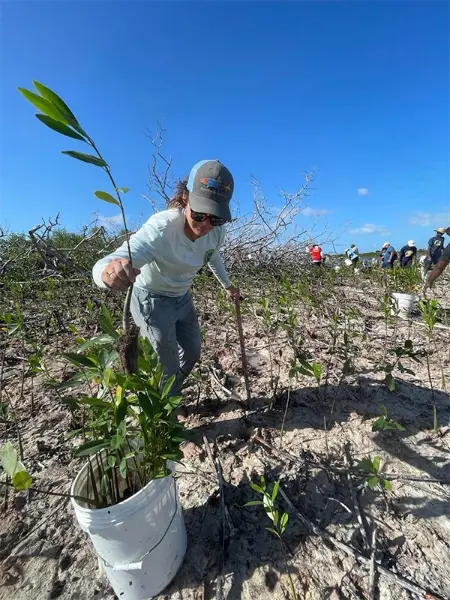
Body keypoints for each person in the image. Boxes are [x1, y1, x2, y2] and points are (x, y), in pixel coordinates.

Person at [92, 159, 240, 396]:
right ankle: (167, 415)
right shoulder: (162, 229)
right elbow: (108, 262)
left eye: (216, 218)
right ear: (185, 198)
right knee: (167, 365)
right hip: (151, 300)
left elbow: (212, 256)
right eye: (200, 214)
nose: (206, 225)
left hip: (182, 297)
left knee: (192, 353)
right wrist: (107, 274)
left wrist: (228, 285)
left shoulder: (216, 232)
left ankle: (169, 394)